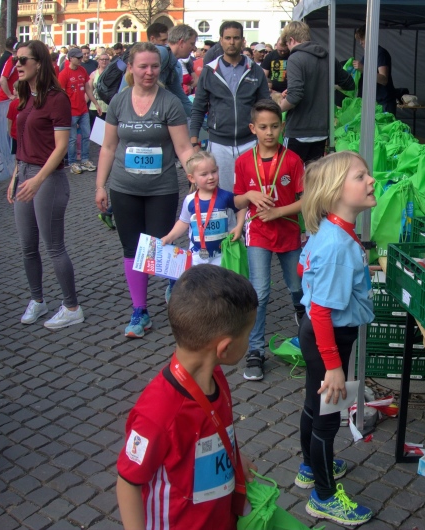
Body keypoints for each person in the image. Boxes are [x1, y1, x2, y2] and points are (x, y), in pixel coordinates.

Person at [116, 265, 259, 530]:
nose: (249, 341)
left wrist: (233, 458)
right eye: (248, 334)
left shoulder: (216, 377)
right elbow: (128, 482)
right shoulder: (157, 413)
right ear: (225, 348)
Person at [295, 151, 375, 525]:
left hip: (318, 334)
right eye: (360, 176)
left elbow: (307, 272)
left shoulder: (331, 230)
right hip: (328, 338)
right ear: (335, 191)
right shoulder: (338, 246)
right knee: (328, 418)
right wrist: (334, 366)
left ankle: (310, 467)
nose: (371, 180)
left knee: (314, 404)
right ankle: (324, 497)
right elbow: (323, 311)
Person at [94, 42, 194, 338]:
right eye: (143, 66)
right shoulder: (119, 102)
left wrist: (196, 175)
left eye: (154, 66)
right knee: (132, 248)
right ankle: (140, 311)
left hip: (161, 188)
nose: (149, 72)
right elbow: (108, 147)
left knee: (162, 244)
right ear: (131, 68)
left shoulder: (170, 102)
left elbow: (183, 147)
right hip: (124, 187)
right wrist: (100, 185)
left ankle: (174, 288)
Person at [7, 40, 84, 329]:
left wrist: (37, 180)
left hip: (47, 177)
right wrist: (16, 176)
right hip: (25, 172)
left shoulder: (56, 98)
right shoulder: (25, 96)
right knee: (27, 246)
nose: (17, 65)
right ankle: (37, 300)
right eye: (16, 60)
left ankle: (72, 306)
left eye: (23, 60)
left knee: (54, 246)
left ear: (39, 63)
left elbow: (61, 147)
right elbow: (22, 142)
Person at [233, 99, 305, 381]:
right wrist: (249, 196)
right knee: (259, 292)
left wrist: (278, 212)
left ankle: (304, 321)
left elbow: (306, 200)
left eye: (274, 126)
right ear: (253, 128)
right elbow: (237, 200)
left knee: (298, 287)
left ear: (282, 127)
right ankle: (255, 351)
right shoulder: (243, 161)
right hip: (259, 233)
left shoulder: (293, 160)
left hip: (288, 231)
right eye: (263, 127)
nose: (269, 132)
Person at [190, 20, 270, 229]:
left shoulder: (254, 70)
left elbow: (265, 106)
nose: (232, 42)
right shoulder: (210, 70)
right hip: (220, 143)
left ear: (243, 40)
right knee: (223, 193)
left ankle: (251, 233)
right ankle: (228, 237)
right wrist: (194, 141)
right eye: (227, 38)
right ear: (221, 40)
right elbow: (198, 107)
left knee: (252, 190)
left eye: (236, 38)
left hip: (249, 141)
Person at [160, 151, 242, 302]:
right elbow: (183, 221)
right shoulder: (190, 200)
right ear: (192, 178)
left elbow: (242, 206)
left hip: (222, 255)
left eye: (213, 172)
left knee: (221, 290)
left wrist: (239, 226)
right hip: (197, 256)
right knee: (199, 291)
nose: (211, 177)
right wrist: (169, 237)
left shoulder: (225, 196)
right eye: (204, 174)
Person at [279, 21, 355, 164]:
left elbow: (295, 97)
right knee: (313, 176)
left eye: (287, 44)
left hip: (299, 130)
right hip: (321, 132)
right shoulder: (328, 57)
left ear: (291, 40)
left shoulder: (295, 58)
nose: (288, 49)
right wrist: (324, 86)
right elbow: (349, 84)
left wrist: (276, 109)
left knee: (290, 175)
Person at [58, 47, 102, 174]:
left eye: (81, 57)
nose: (80, 59)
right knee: (72, 139)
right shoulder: (64, 74)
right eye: (78, 58)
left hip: (83, 109)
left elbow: (88, 88)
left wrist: (95, 103)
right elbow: (61, 95)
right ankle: (72, 162)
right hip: (71, 111)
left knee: (86, 135)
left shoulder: (82, 70)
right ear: (71, 58)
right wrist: (64, 111)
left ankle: (85, 160)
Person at [352, 26, 397, 115]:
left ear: (370, 37)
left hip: (384, 102)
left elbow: (384, 79)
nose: (360, 42)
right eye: (359, 40)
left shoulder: (380, 53)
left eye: (362, 39)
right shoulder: (367, 55)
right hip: (373, 102)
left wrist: (363, 68)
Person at [86, 51, 110, 130]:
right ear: (98, 61)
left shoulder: (112, 74)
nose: (104, 61)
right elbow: (89, 91)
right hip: (95, 107)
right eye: (102, 59)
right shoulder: (93, 74)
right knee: (97, 132)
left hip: (108, 107)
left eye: (106, 59)